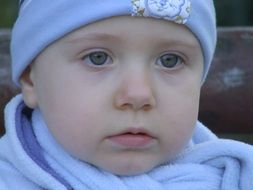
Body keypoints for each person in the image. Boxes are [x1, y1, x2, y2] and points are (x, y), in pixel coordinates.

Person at [0, 0, 253, 189]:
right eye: (97, 58)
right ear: (31, 79)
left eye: (170, 60)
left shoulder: (229, 176)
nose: (138, 94)